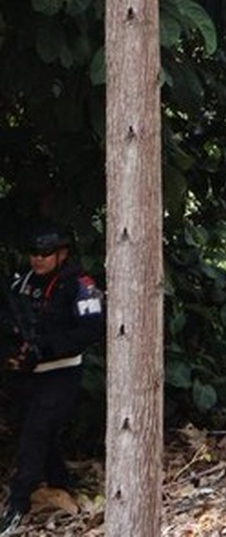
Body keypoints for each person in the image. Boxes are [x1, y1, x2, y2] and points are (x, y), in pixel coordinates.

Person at [0, 224, 105, 532]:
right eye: (33, 253)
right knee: (37, 436)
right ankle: (61, 484)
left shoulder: (79, 284)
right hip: (25, 375)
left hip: (61, 373)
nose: (38, 259)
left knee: (34, 437)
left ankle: (18, 505)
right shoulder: (23, 281)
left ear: (62, 254)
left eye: (45, 253)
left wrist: (45, 348)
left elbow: (90, 330)